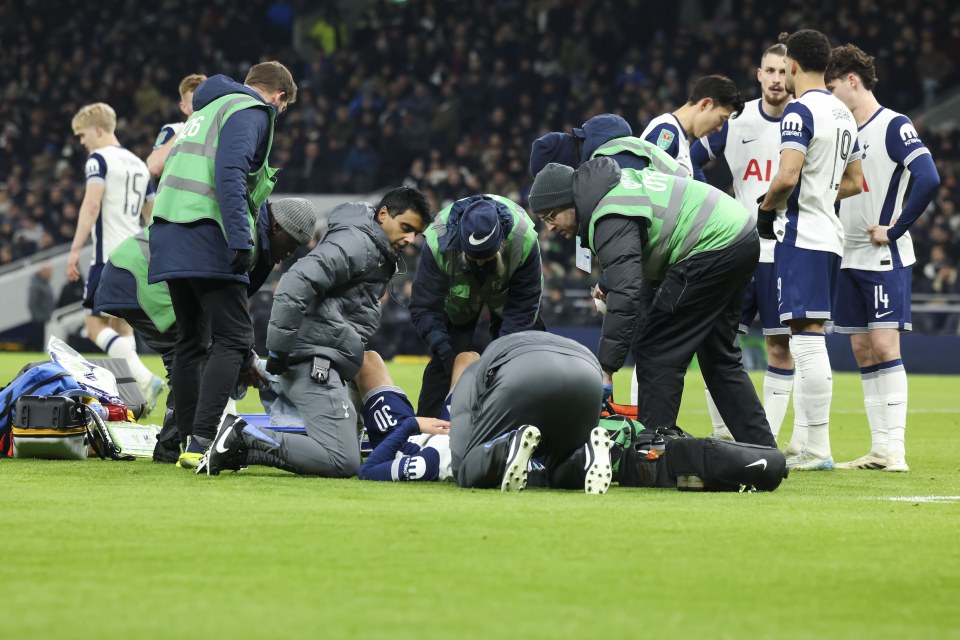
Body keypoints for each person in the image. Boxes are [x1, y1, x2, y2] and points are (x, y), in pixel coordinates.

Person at [528, 158, 776, 448]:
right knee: (719, 357)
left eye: (550, 216)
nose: (549, 228)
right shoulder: (611, 190)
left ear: (567, 202)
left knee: (657, 348)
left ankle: (652, 451)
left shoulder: (607, 213)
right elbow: (638, 270)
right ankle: (765, 451)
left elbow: (627, 294)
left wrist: (606, 368)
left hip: (712, 245)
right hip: (739, 235)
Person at [197, 186, 433, 478]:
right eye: (406, 228)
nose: (410, 240)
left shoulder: (370, 246)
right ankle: (243, 438)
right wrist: (280, 353)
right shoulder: (358, 243)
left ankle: (262, 376)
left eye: (416, 234)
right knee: (342, 460)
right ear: (383, 215)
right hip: (314, 363)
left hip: (321, 358)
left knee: (357, 443)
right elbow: (296, 281)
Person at [148, 61, 297, 464]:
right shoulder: (250, 110)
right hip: (208, 230)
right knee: (233, 338)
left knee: (190, 341)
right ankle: (202, 442)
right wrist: (239, 236)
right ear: (279, 96)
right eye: (282, 110)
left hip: (166, 230)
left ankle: (182, 443)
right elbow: (230, 170)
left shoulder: (205, 110)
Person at [94, 198, 317, 464]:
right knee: (196, 353)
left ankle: (173, 445)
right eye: (291, 244)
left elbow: (226, 313)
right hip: (138, 275)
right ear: (277, 228)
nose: (290, 253)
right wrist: (244, 357)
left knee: (193, 352)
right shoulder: (245, 236)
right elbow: (226, 323)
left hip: (133, 269)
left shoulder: (252, 232)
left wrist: (244, 354)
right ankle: (179, 444)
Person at [825, 44, 941, 472]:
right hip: (849, 254)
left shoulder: (893, 124)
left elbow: (929, 177)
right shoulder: (843, 132)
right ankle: (878, 448)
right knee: (861, 348)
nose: (830, 96)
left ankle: (896, 449)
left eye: (833, 87)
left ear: (852, 81)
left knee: (884, 343)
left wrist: (896, 228)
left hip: (883, 254)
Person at [756, 30, 864, 470]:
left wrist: (766, 209)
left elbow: (785, 177)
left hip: (801, 235)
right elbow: (856, 181)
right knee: (808, 333)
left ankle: (817, 447)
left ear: (794, 65)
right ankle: (808, 444)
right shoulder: (843, 112)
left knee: (804, 336)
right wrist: (820, 191)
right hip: (830, 234)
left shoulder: (799, 112)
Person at [690, 44, 795, 442]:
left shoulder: (804, 120)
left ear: (792, 74)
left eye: (782, 72)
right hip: (739, 248)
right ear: (758, 74)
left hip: (785, 250)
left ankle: (766, 436)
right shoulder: (738, 121)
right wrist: (711, 201)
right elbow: (691, 157)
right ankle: (722, 433)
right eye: (769, 70)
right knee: (719, 343)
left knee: (780, 348)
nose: (775, 79)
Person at [66, 102, 165, 414]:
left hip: (107, 257)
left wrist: (74, 248)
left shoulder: (98, 160)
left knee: (94, 328)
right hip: (135, 258)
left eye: (83, 135)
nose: (82, 142)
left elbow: (91, 205)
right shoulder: (138, 164)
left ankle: (144, 379)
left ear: (97, 129)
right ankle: (136, 400)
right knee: (123, 329)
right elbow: (152, 217)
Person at [409, 195, 542, 418]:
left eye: (487, 259)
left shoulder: (523, 238)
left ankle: (529, 429)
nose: (480, 264)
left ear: (501, 244)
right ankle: (426, 432)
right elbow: (424, 307)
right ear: (459, 244)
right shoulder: (437, 241)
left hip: (509, 296)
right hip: (458, 301)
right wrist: (446, 353)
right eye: (472, 258)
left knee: (524, 361)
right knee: (443, 368)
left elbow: (523, 307)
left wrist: (499, 361)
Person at [450, 331, 613, 494]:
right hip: (588, 371)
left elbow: (459, 454)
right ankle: (586, 456)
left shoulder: (471, 376)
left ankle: (510, 445)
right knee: (558, 469)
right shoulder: (490, 360)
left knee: (464, 471)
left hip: (523, 370)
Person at [355, 350, 466, 482]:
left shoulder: (429, 462)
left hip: (404, 441)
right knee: (468, 358)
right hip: (452, 431)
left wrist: (412, 424)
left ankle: (350, 431)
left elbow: (367, 471)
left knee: (367, 361)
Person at [639, 75, 744, 179]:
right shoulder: (667, 132)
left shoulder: (679, 136)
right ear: (705, 105)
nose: (719, 128)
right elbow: (646, 186)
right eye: (721, 118)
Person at [145, 73, 208, 179]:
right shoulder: (173, 130)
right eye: (195, 103)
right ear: (184, 107)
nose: (202, 107)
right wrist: (188, 129)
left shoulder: (220, 129)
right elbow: (154, 167)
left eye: (206, 102)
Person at [27, 263, 55, 352]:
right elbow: (32, 303)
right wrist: (39, 317)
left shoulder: (45, 284)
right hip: (40, 321)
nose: (51, 273)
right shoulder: (36, 285)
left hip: (47, 319)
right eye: (49, 271)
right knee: (38, 343)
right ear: (43, 272)